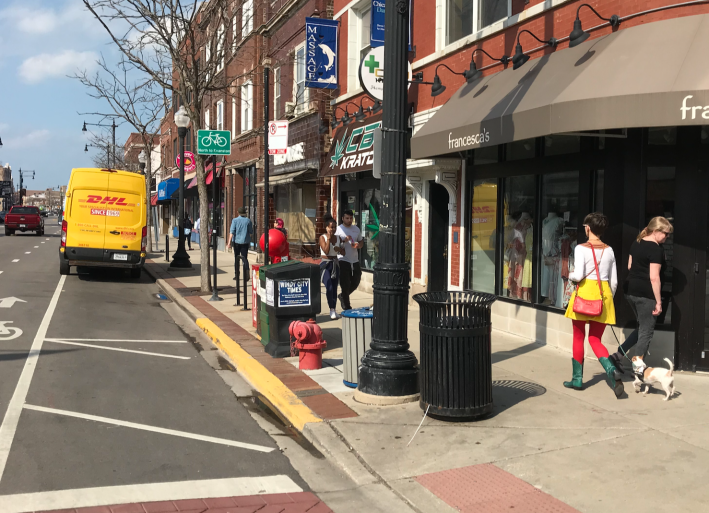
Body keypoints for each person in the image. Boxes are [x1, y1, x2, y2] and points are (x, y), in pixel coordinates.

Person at [564, 212, 624, 398]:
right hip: (603, 294)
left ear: (588, 228)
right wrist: (607, 298)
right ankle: (610, 370)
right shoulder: (610, 250)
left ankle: (577, 379)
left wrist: (570, 275)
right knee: (595, 339)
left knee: (578, 337)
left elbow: (579, 274)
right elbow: (614, 281)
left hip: (584, 294)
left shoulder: (581, 248)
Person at [608, 216, 673, 373]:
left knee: (642, 328)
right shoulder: (656, 250)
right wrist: (658, 302)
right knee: (646, 331)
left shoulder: (637, 242)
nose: (667, 237)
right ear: (656, 231)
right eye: (666, 233)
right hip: (646, 295)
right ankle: (638, 370)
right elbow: (654, 277)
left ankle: (618, 355)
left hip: (631, 291)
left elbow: (630, 266)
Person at [335, 210, 363, 311]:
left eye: (351, 218)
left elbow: (361, 241)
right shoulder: (338, 230)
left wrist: (359, 245)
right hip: (343, 259)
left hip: (354, 259)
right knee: (345, 283)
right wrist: (344, 241)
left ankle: (342, 295)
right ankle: (347, 306)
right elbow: (335, 245)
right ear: (342, 218)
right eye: (347, 218)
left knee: (356, 280)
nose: (349, 220)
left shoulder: (356, 229)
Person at [320, 217, 345, 320]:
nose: (333, 229)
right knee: (329, 286)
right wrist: (329, 239)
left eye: (334, 227)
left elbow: (344, 252)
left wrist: (339, 249)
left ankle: (333, 309)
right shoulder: (322, 238)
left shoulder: (338, 238)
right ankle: (331, 309)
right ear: (326, 228)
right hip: (325, 264)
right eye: (331, 227)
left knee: (334, 288)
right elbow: (325, 251)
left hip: (335, 263)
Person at [227, 207, 253, 283]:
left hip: (237, 242)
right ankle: (246, 274)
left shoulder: (234, 220)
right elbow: (251, 231)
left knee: (237, 258)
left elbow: (231, 232)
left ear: (238, 212)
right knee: (245, 258)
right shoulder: (248, 221)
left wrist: (229, 243)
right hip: (245, 242)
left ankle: (237, 275)